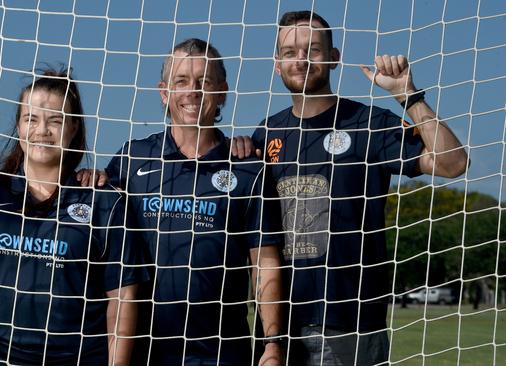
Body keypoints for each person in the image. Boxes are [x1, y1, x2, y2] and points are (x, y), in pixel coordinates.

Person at [247, 10, 468, 365]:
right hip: (277, 329)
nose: (301, 59)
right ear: (276, 64)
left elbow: (453, 163)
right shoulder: (265, 134)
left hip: (350, 326)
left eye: (313, 50)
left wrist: (407, 94)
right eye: (289, 52)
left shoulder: (369, 124)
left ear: (334, 59)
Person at [0, 70, 144, 365]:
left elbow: (122, 301)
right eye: (32, 119)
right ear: (18, 125)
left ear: (74, 128)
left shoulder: (104, 201)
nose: (42, 131)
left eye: (55, 120)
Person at [103, 38, 284, 365]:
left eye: (204, 81)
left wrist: (271, 342)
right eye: (181, 81)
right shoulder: (132, 159)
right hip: (142, 351)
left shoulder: (248, 169)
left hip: (221, 353)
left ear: (223, 91)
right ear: (164, 91)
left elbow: (264, 262)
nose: (192, 91)